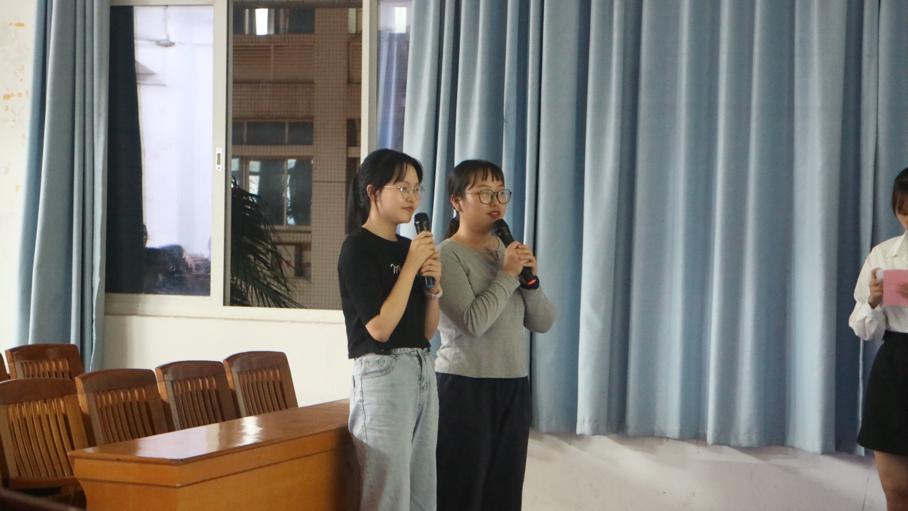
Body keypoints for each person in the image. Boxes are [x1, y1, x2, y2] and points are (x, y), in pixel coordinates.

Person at [434, 159, 556, 511]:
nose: (496, 202)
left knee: (504, 494)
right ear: (456, 201)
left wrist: (530, 282)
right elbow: (473, 322)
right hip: (464, 388)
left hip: (513, 386)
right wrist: (506, 276)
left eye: (501, 193)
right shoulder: (447, 255)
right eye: (484, 194)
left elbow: (543, 322)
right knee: (461, 493)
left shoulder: (508, 254)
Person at [338, 148, 442, 511]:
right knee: (388, 495)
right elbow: (380, 328)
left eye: (416, 188)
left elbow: (426, 332)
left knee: (422, 491)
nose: (412, 197)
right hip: (382, 372)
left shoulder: (408, 248)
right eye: (402, 188)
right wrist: (411, 267)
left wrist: (433, 291)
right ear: (372, 192)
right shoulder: (357, 248)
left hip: (421, 368)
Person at [849, 166, 908, 511]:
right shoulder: (883, 255)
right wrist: (872, 301)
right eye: (904, 212)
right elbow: (863, 329)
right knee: (896, 489)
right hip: (897, 365)